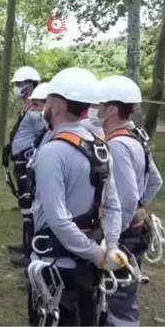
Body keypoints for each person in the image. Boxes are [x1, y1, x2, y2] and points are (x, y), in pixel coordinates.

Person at [28, 67, 124, 327]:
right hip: (87, 268)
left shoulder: (53, 151)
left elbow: (57, 219)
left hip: (56, 268)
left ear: (57, 106)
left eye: (47, 103)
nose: (43, 109)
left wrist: (97, 254)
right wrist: (110, 248)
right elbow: (113, 205)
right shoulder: (100, 146)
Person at [94, 75, 162, 327]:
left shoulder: (116, 145)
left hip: (123, 235)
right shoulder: (135, 138)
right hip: (134, 230)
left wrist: (111, 238)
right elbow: (154, 181)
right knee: (122, 294)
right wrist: (139, 209)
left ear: (111, 109)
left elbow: (127, 197)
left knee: (118, 301)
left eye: (98, 105)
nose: (94, 110)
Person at [1, 66, 43, 268]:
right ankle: (27, 245)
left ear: (31, 85)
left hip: (28, 165)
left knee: (29, 210)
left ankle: (31, 252)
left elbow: (44, 136)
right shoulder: (29, 107)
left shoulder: (36, 112)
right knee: (25, 209)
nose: (17, 88)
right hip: (21, 162)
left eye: (20, 84)